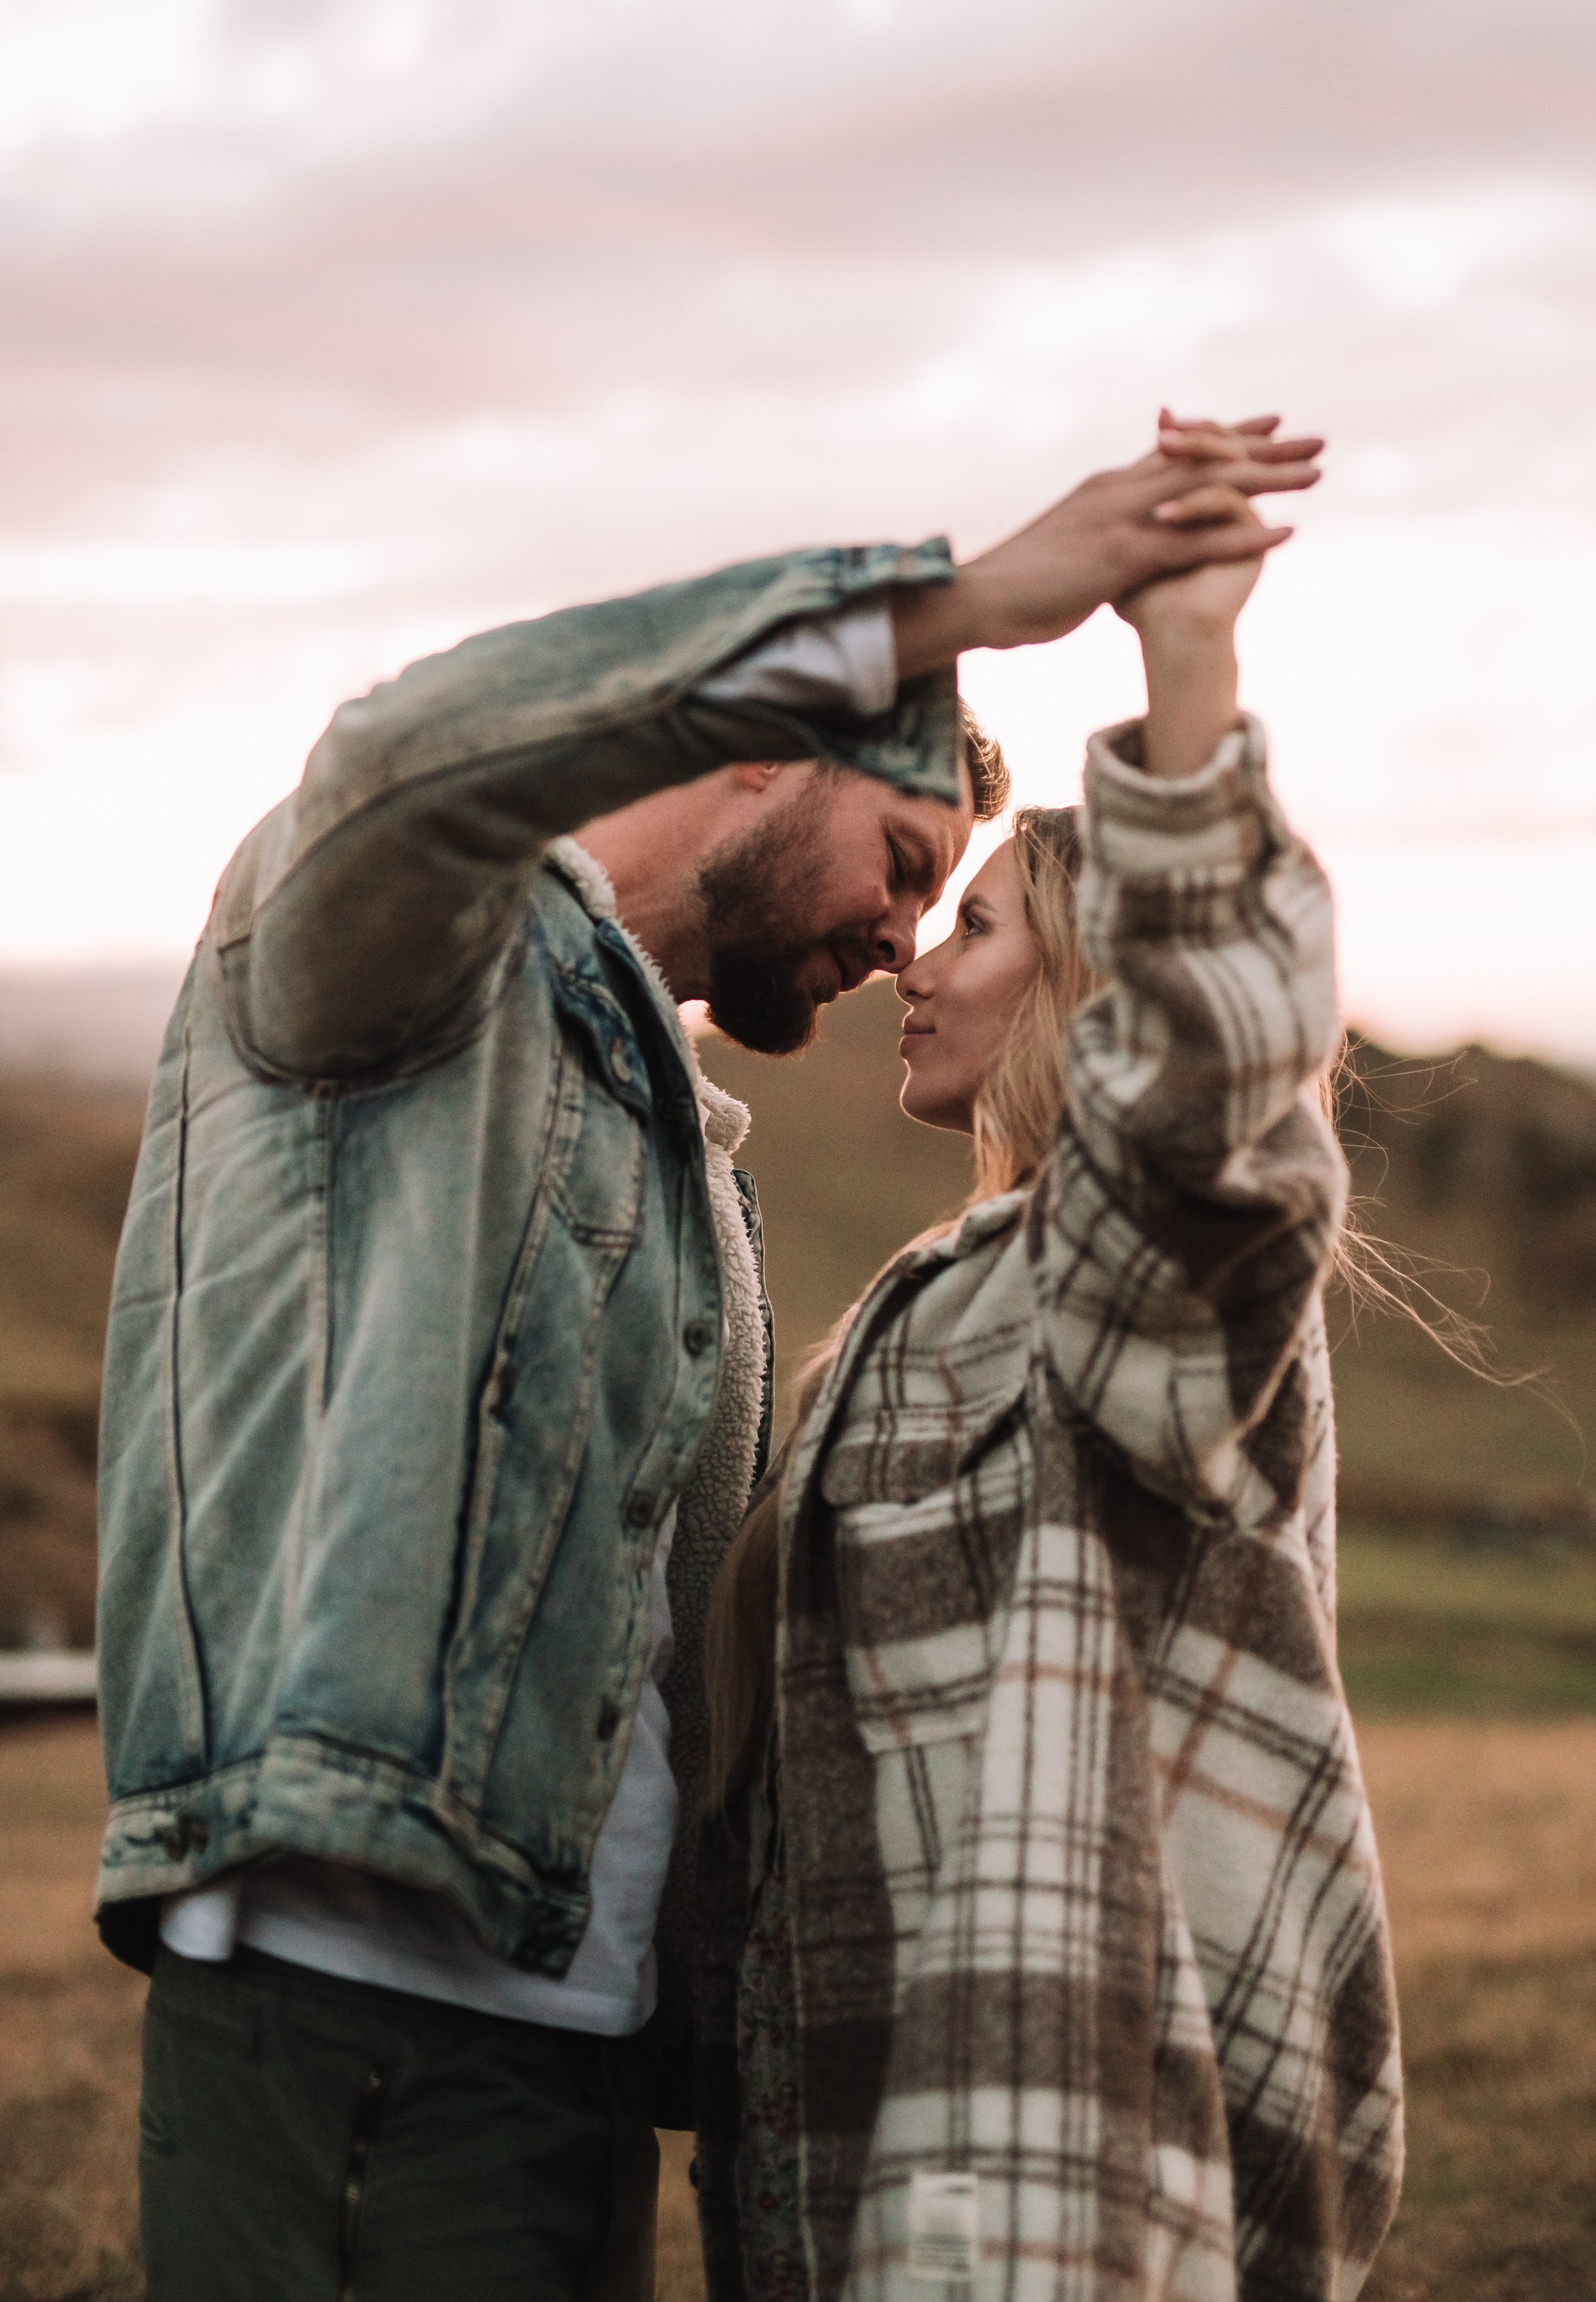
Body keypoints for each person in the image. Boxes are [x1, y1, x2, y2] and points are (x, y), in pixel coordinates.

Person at [95, 429, 1312, 2302]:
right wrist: (962, 604)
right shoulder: (416, 962)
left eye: (950, 905)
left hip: (586, 2047)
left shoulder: (697, 1175)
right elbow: (406, 758)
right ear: (758, 742)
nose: (905, 936)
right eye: (909, 861)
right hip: (367, 2004)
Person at [695, 415, 1402, 2302]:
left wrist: (1184, 661)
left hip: (1067, 2151)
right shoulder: (944, 1297)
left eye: (976, 918)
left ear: (1096, 983)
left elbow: (1210, 1096)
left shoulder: (1137, 1285)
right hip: (854, 2139)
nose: (915, 955)